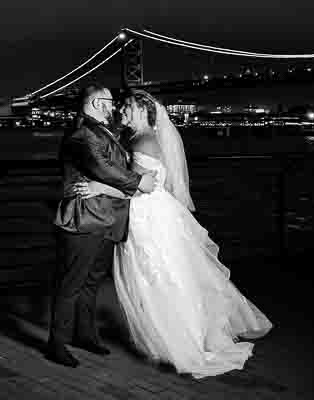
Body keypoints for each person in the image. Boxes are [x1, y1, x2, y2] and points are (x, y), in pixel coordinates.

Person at [71, 88, 273, 378]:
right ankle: (171, 337)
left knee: (159, 277)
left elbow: (141, 186)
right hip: (152, 214)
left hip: (148, 217)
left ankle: (178, 342)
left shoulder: (144, 142)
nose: (120, 112)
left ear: (141, 111)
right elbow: (149, 182)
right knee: (161, 276)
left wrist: (99, 187)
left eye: (125, 108)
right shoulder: (140, 138)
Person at [47, 84, 157, 368]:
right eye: (110, 102)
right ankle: (56, 344)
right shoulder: (83, 133)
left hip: (106, 217)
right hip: (83, 218)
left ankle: (84, 334)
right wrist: (138, 182)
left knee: (92, 281)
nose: (115, 107)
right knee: (71, 283)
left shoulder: (102, 129)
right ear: (97, 103)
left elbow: (111, 163)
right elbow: (102, 167)